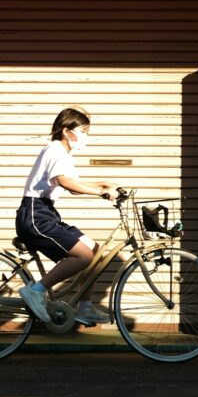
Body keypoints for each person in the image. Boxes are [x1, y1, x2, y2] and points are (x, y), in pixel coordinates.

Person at [16, 107, 118, 326]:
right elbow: (65, 181)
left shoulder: (62, 153)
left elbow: (74, 186)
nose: (86, 136)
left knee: (94, 250)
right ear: (66, 131)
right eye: (83, 130)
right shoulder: (55, 149)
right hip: (35, 215)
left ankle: (85, 308)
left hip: (46, 213)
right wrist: (100, 190)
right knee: (83, 256)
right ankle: (35, 290)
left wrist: (102, 185)